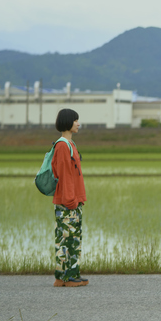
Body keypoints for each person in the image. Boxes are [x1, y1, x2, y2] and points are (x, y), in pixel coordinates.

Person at [52, 108, 89, 287]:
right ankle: (67, 276)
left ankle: (66, 275)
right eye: (75, 120)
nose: (78, 124)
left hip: (74, 200)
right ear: (67, 122)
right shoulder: (62, 146)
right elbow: (65, 175)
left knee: (69, 238)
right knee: (69, 239)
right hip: (68, 202)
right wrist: (71, 201)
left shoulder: (70, 144)